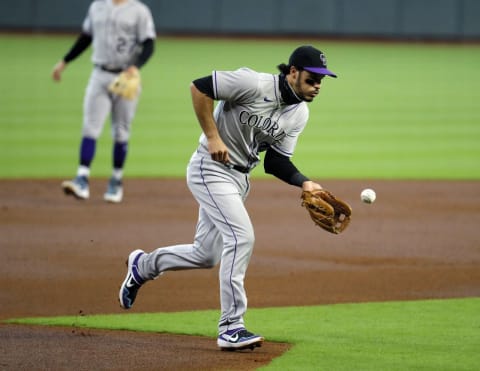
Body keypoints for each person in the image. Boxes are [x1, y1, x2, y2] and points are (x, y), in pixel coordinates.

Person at [119, 45, 338, 350]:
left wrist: (305, 183)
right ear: (292, 72)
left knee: (206, 254)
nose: (317, 86)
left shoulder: (299, 113)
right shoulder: (253, 84)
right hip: (210, 169)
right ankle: (231, 326)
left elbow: (275, 161)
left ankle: (143, 266)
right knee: (241, 237)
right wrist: (212, 136)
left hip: (239, 179)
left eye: (321, 81)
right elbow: (199, 88)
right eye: (312, 79)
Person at [52, 0, 156, 203]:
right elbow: (85, 37)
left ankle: (116, 181)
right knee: (90, 127)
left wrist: (136, 66)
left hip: (125, 78)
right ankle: (82, 179)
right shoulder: (96, 6)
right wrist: (65, 61)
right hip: (99, 75)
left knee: (121, 131)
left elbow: (149, 44)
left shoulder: (139, 11)